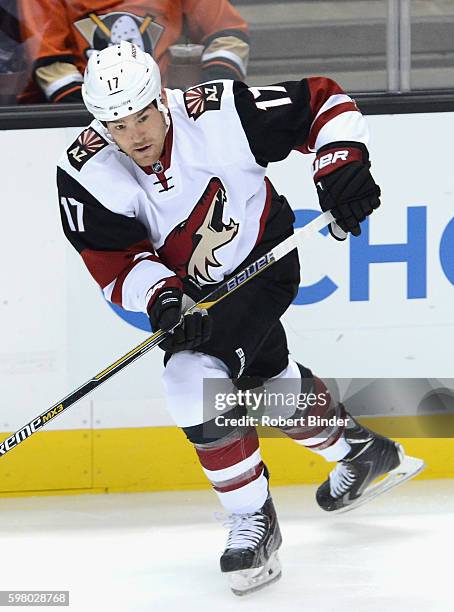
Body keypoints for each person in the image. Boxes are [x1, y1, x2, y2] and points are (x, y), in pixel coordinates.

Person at [56, 41, 423, 596]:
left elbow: (324, 102)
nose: (136, 135)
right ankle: (359, 450)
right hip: (192, 293)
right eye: (117, 124)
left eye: (143, 115)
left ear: (162, 98)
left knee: (190, 380)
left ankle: (254, 521)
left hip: (261, 263)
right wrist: (161, 297)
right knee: (263, 379)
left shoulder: (220, 114)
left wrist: (341, 168)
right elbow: (114, 260)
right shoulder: (85, 172)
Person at [17, 0, 249, 103]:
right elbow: (52, 65)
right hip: (95, 120)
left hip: (168, 113)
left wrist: (209, 96)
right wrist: (97, 115)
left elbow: (227, 36)